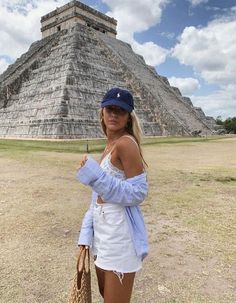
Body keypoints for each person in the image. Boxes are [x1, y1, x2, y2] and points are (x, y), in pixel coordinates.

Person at [76, 87, 149, 303]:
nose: (114, 114)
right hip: (103, 233)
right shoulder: (109, 146)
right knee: (105, 295)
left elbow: (139, 192)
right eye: (110, 109)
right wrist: (85, 235)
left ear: (128, 117)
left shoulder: (126, 144)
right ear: (102, 112)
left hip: (119, 236)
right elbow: (95, 198)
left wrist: (97, 177)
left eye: (121, 110)